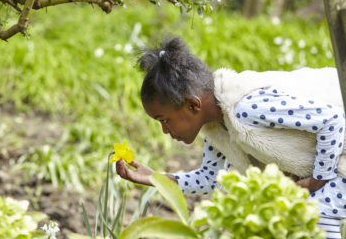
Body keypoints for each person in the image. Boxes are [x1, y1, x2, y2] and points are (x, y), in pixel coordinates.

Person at [115, 36, 346, 238]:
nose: (165, 130)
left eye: (164, 120)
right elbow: (210, 179)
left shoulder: (247, 107)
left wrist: (318, 180)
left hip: (340, 149)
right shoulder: (216, 124)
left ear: (193, 105)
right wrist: (157, 178)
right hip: (329, 158)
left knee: (317, 211)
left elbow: (333, 120)